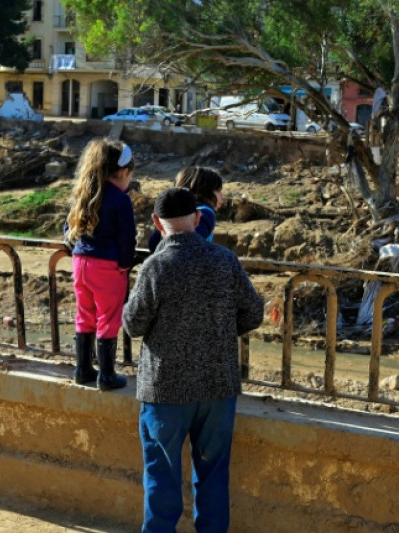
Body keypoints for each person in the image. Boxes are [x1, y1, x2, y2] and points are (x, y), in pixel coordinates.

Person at [123, 187, 264, 533]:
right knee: (213, 475)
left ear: (157, 224)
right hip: (217, 387)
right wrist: (219, 333)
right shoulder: (224, 260)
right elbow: (254, 312)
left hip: (165, 391)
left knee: (161, 475)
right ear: (198, 218)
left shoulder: (155, 267)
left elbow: (133, 324)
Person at [65, 139, 136, 390]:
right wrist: (125, 265)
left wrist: (78, 251)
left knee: (85, 315)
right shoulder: (120, 200)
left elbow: (68, 228)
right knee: (109, 317)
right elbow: (128, 237)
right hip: (107, 265)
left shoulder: (84, 192)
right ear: (124, 172)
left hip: (80, 261)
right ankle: (106, 375)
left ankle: (82, 369)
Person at [147, 166, 223, 253]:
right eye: (218, 190)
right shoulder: (205, 211)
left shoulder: (171, 211)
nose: (221, 195)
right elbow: (191, 243)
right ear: (203, 191)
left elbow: (153, 243)